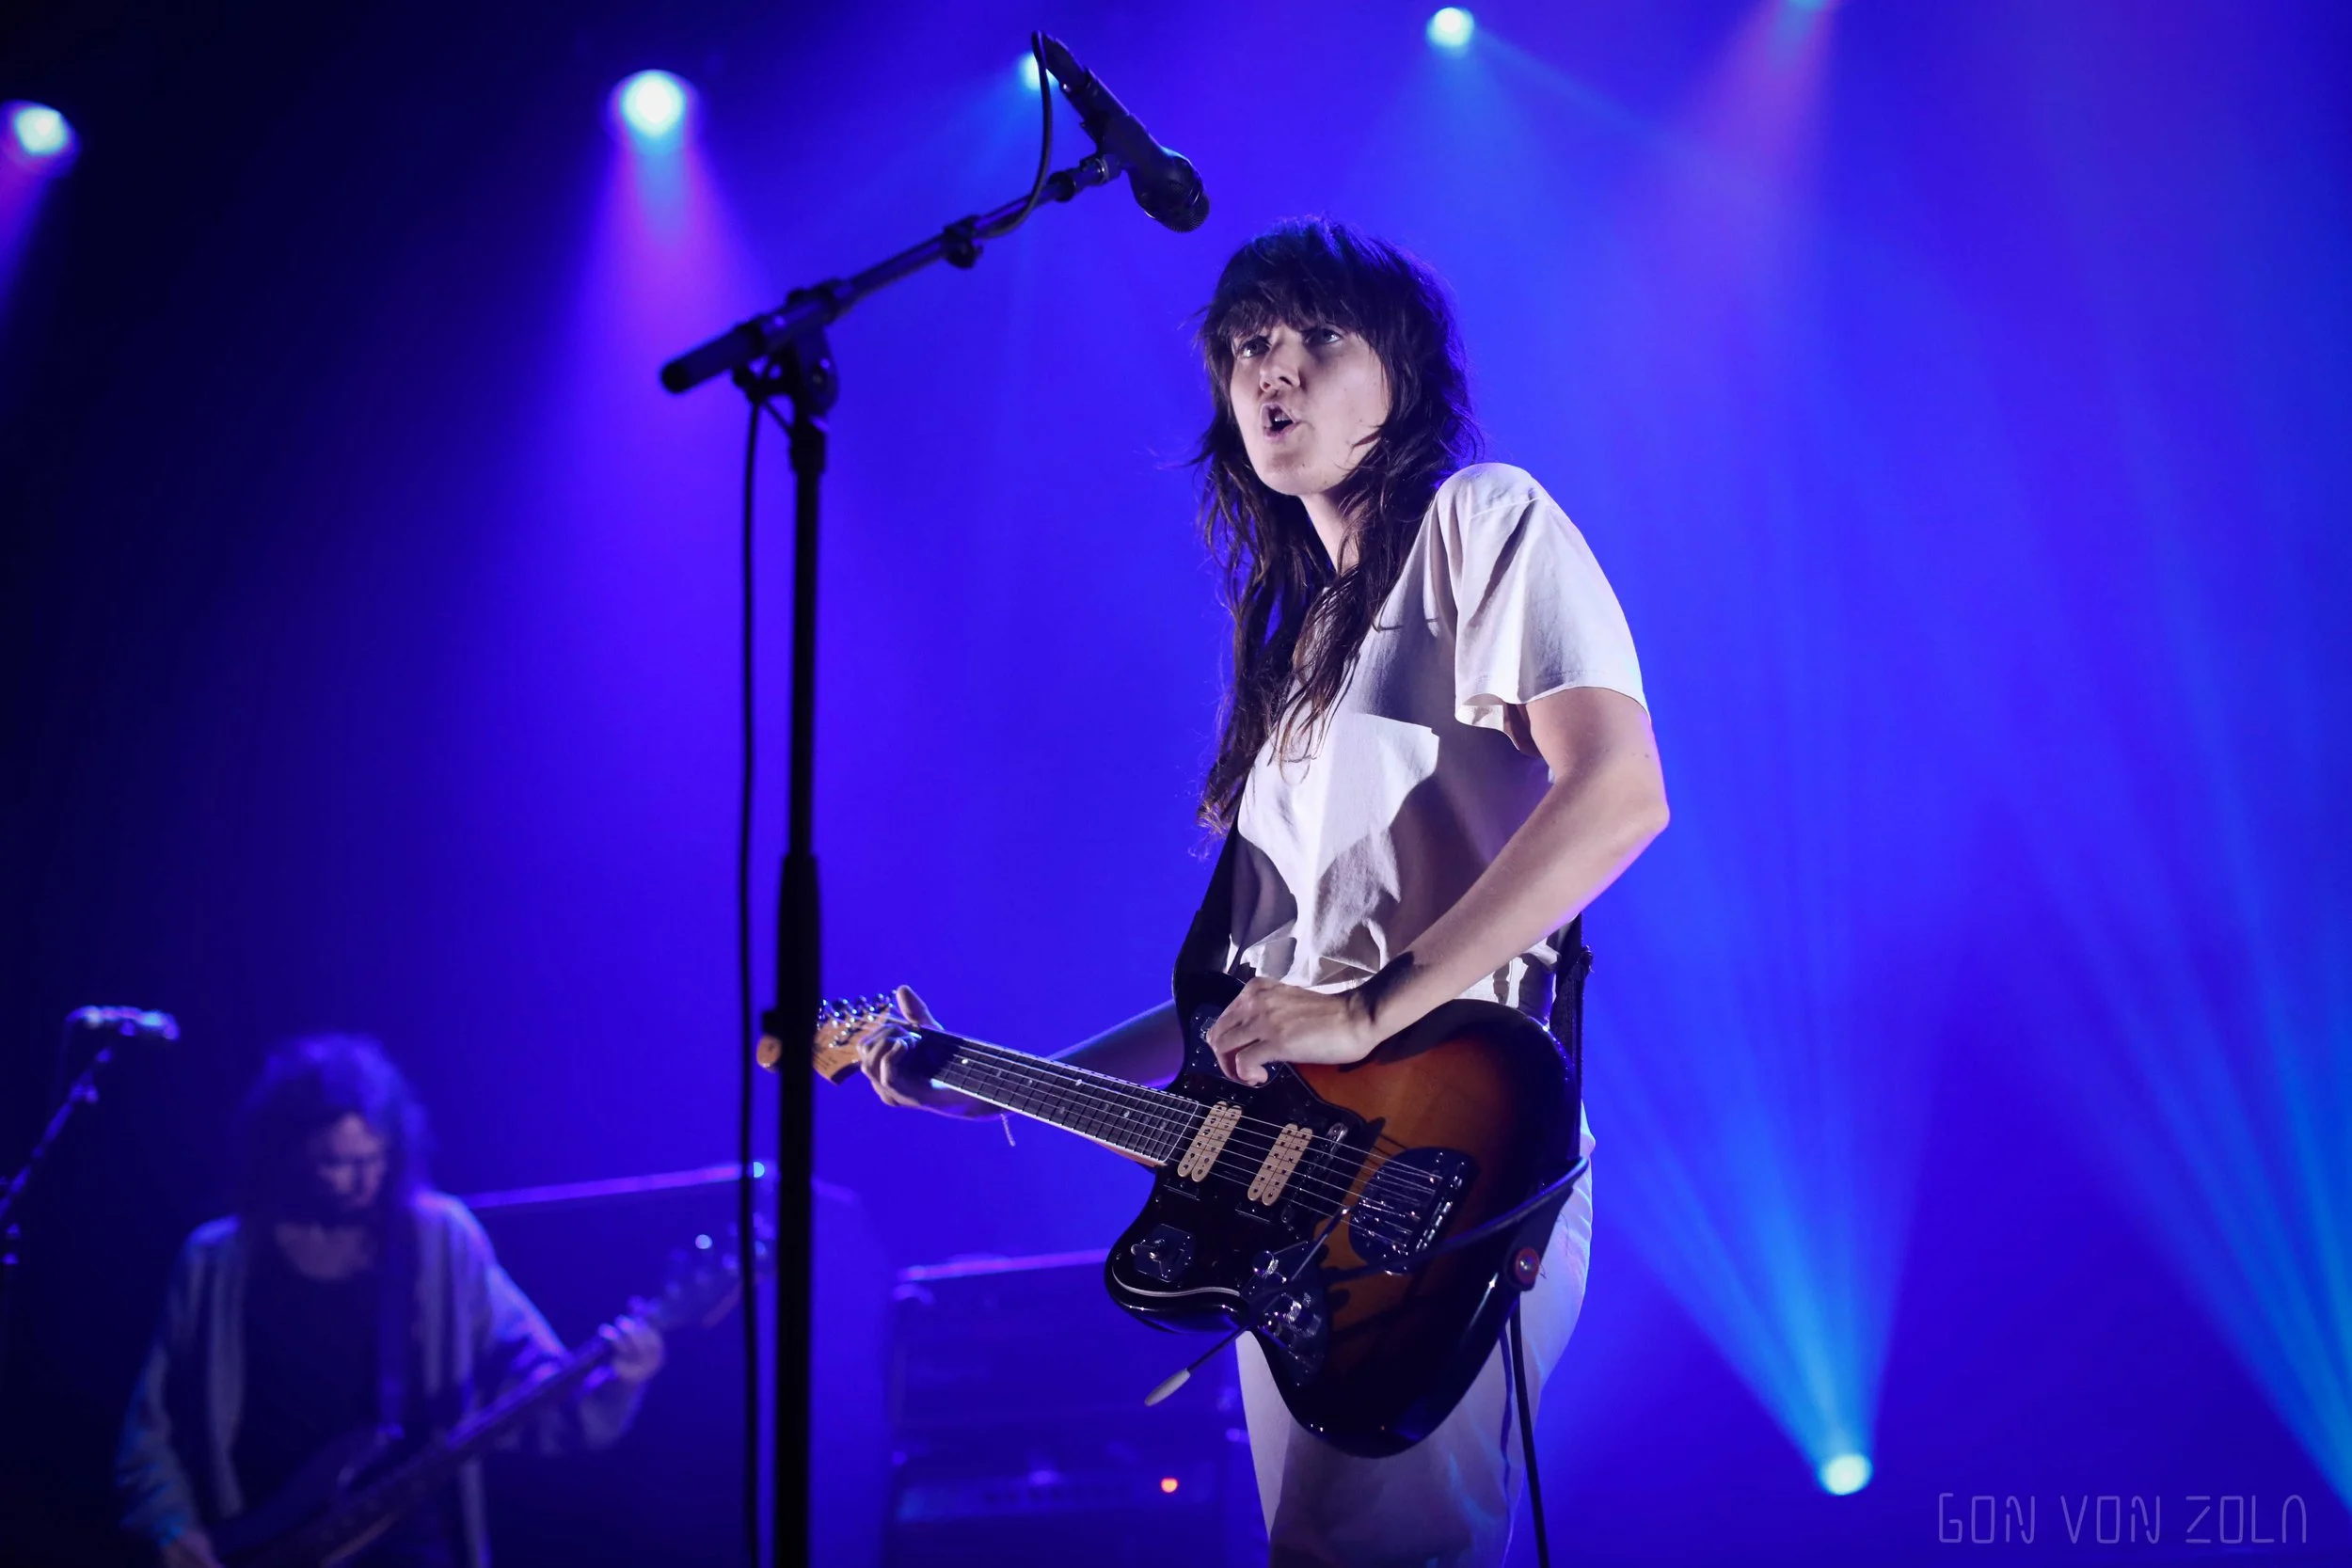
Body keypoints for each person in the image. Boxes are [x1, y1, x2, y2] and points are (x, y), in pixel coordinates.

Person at [858, 218, 1667, 1567]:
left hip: (1455, 1165)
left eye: (1309, 338)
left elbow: (1621, 791)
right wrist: (994, 1076)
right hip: (1302, 1204)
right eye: (1242, 349)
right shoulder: (1292, 667)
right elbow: (1242, 1016)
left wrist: (1366, 1012)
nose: (1266, 371)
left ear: (1398, 373)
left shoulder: (1482, 519)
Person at [116, 1036, 665, 1568]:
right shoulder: (214, 1261)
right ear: (287, 1153)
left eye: (375, 1160)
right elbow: (151, 1423)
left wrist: (616, 1383)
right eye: (335, 1163)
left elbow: (527, 1374)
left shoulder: (440, 1241)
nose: (361, 1182)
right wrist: (169, 1524)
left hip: (406, 1543)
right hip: (254, 1540)